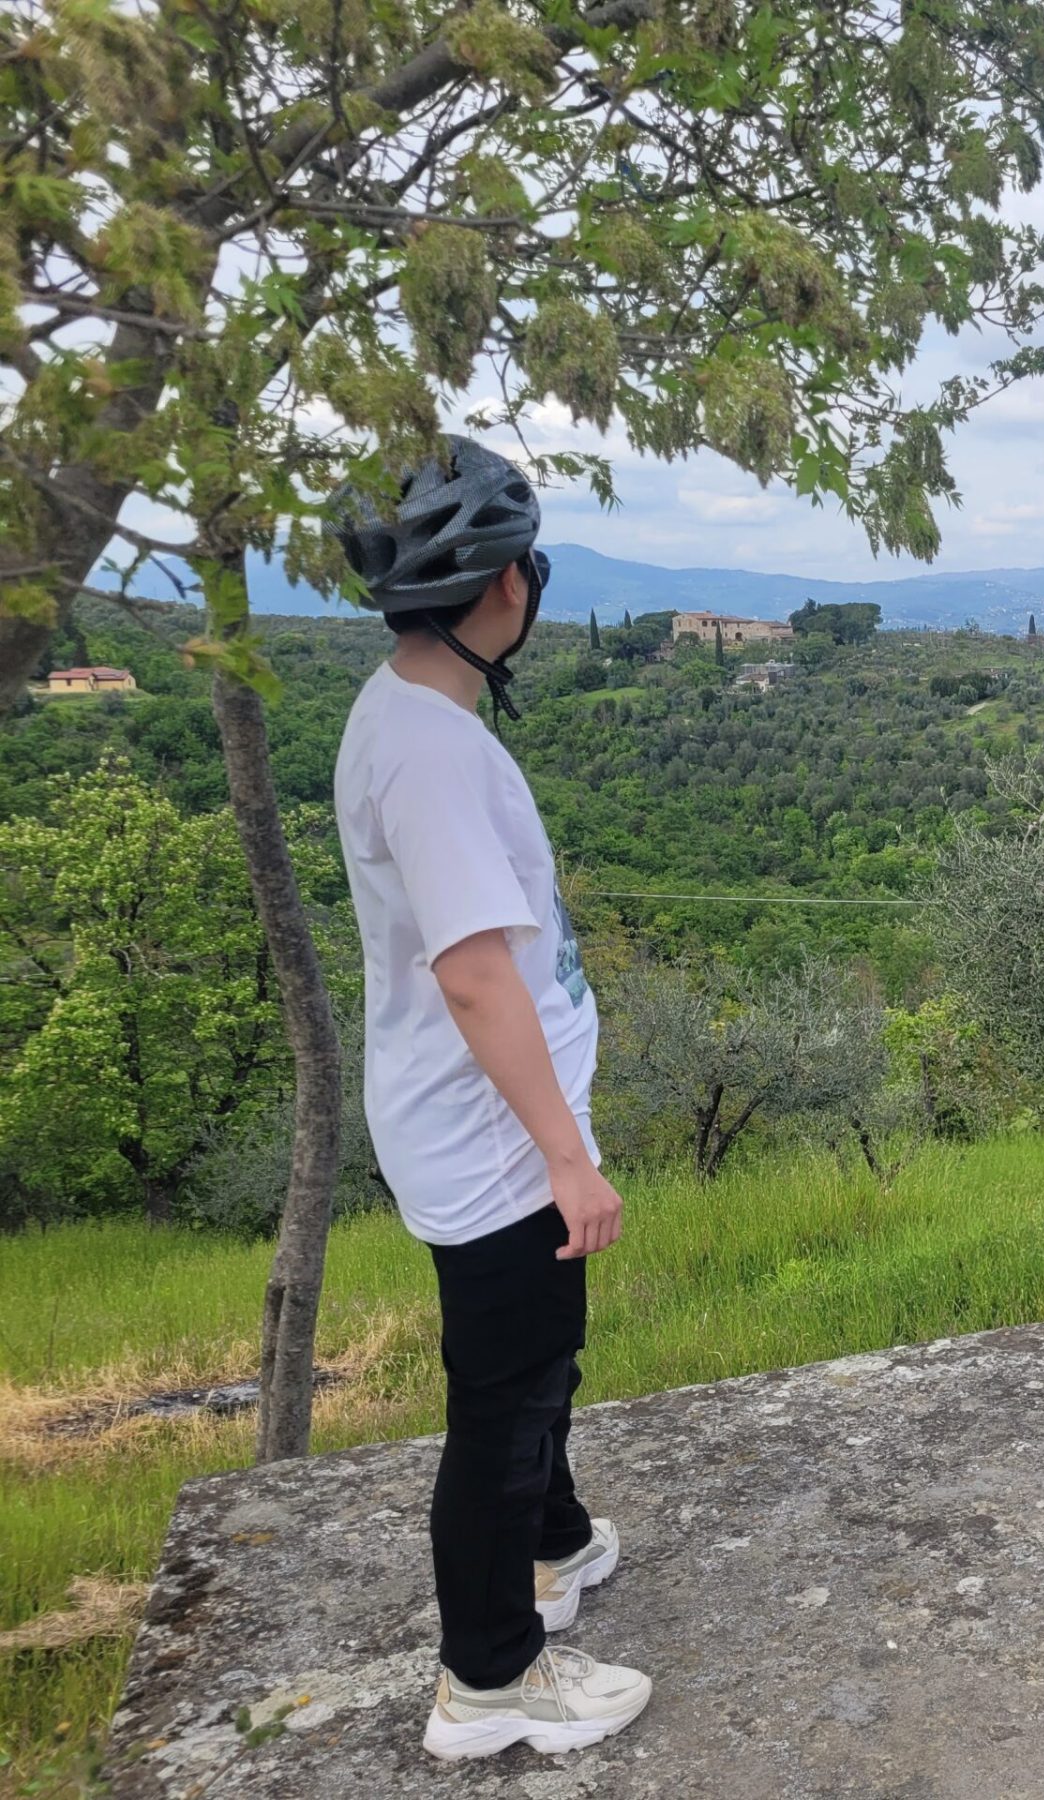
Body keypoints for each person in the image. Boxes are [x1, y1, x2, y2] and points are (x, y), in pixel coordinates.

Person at [331, 437, 653, 1761]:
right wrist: (567, 1158)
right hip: (494, 1141)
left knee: (534, 1363)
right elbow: (473, 977)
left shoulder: (408, 714)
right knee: (506, 1402)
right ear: (508, 585)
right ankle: (491, 1680)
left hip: (480, 1129)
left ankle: (555, 1547)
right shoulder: (432, 756)